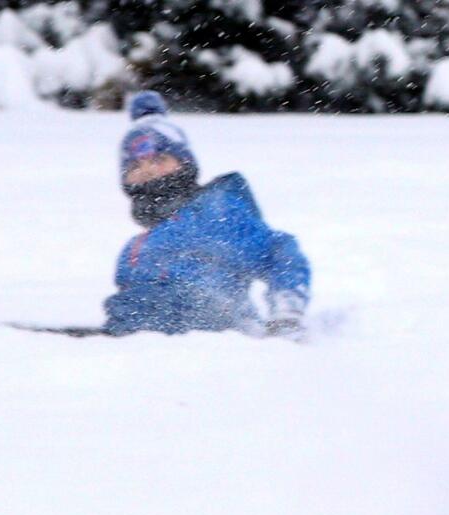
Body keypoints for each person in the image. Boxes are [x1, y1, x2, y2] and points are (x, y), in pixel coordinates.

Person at [103, 91, 310, 337]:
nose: (147, 170)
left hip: (214, 348)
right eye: (135, 165)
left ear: (184, 163)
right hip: (146, 355)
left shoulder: (214, 213)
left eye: (159, 158)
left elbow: (279, 252)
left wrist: (287, 311)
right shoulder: (136, 247)